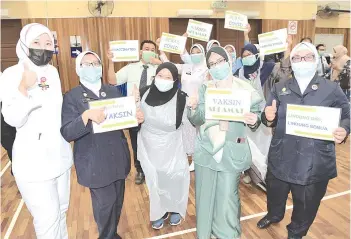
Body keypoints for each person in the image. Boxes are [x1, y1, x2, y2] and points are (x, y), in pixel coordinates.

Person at [257, 42, 350, 239]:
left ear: (315, 60)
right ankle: (274, 214)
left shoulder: (331, 89)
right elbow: (267, 116)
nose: (302, 61)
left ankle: (296, 232)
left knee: (306, 202)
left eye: (307, 57)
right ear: (291, 62)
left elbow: (346, 114)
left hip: (313, 160)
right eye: (297, 58)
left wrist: (344, 129)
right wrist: (268, 117)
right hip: (282, 153)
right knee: (274, 192)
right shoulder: (280, 87)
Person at [61, 51, 144, 239]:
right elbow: (67, 132)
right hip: (95, 164)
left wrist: (136, 118)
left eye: (95, 63)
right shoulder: (72, 97)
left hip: (117, 159)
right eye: (87, 64)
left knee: (116, 204)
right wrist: (85, 117)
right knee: (105, 208)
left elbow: (123, 120)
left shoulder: (112, 91)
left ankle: (112, 234)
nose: (92, 67)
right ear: (78, 69)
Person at [1, 23, 73, 239]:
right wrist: (24, 88)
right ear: (24, 44)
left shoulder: (52, 72)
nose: (43, 47)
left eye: (48, 43)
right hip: (33, 162)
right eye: (36, 42)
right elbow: (12, 119)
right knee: (47, 220)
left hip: (59, 157)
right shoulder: (12, 74)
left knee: (61, 212)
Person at [188, 46, 262, 239]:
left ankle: (228, 235)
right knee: (204, 198)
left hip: (231, 151)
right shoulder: (205, 88)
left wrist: (255, 119)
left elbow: (258, 115)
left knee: (228, 199)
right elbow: (197, 119)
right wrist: (193, 108)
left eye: (219, 61)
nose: (216, 66)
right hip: (207, 150)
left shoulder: (245, 89)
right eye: (211, 64)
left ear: (228, 61)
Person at [137, 62, 190, 230]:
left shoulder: (182, 97)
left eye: (168, 77)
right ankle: (159, 212)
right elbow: (132, 119)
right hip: (148, 144)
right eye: (160, 76)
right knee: (155, 179)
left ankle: (174, 207)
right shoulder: (143, 92)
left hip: (173, 144)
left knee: (175, 176)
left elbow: (188, 124)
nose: (163, 80)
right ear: (155, 76)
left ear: (175, 80)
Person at [108, 40, 160, 185]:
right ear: (140, 52)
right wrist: (111, 62)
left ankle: (154, 169)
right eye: (146, 48)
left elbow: (173, 78)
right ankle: (140, 170)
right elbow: (112, 80)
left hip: (153, 112)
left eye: (152, 49)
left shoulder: (159, 69)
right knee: (136, 142)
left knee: (154, 142)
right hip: (134, 111)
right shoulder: (130, 68)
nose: (149, 50)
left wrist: (160, 63)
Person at [159, 43, 207, 172]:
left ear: (203, 53)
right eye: (193, 52)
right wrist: (161, 51)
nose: (195, 54)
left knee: (199, 131)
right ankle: (189, 157)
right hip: (185, 103)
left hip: (200, 103)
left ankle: (198, 158)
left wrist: (199, 99)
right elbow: (170, 66)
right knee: (187, 130)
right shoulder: (186, 67)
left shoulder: (206, 69)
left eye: (198, 52)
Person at [0, 72, 16, 175]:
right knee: (6, 140)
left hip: (5, 106)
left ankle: (16, 164)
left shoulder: (4, 75)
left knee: (9, 138)